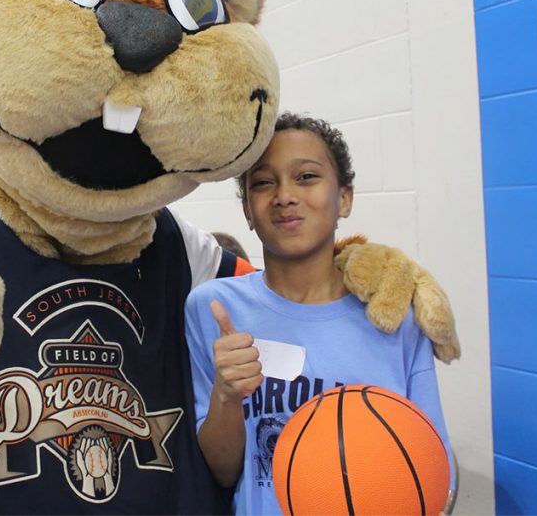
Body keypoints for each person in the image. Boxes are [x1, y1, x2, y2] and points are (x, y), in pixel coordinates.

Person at [184, 112, 451, 515]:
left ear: (344, 197)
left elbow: (429, 466)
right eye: (263, 182)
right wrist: (226, 395)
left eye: (306, 176)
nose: (284, 195)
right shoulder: (214, 309)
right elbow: (222, 472)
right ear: (247, 212)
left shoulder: (393, 315)